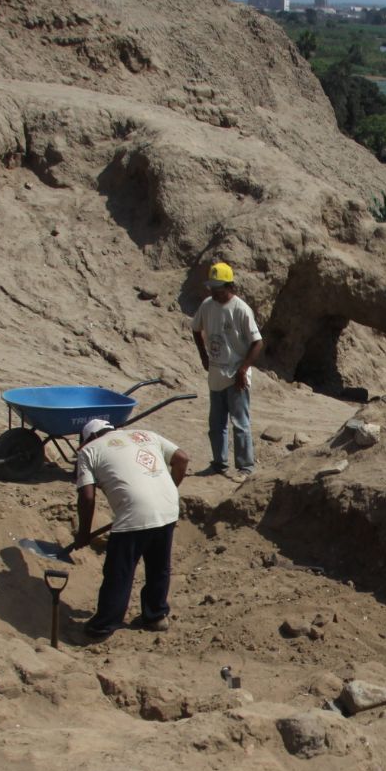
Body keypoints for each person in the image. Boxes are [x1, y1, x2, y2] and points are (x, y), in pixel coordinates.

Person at [74, 417, 189, 638]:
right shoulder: (146, 434)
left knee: (119, 571)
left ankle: (104, 625)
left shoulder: (88, 451)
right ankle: (155, 616)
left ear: (88, 438)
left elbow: (87, 498)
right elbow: (182, 459)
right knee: (158, 565)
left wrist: (84, 534)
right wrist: (168, 490)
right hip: (168, 507)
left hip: (134, 513)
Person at [190, 261, 263, 479]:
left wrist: (243, 369)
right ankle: (218, 463)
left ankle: (245, 467)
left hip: (236, 375)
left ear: (230, 287)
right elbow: (196, 329)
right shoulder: (207, 305)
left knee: (240, 423)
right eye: (212, 289)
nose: (214, 293)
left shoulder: (241, 310)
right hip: (216, 374)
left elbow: (257, 342)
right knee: (216, 424)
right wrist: (203, 355)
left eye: (219, 290)